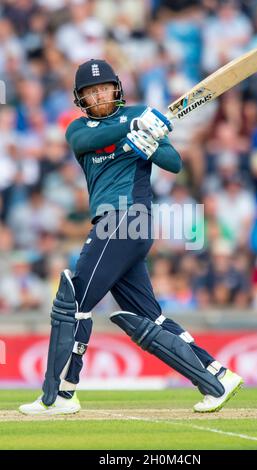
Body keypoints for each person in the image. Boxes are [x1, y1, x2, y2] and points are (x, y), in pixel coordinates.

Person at [19, 59, 243, 415]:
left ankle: (60, 395)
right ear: (81, 98)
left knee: (73, 303)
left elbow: (174, 163)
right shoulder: (79, 130)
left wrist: (151, 144)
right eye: (90, 92)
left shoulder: (142, 114)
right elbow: (93, 138)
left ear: (116, 89)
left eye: (103, 88)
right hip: (120, 227)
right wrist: (133, 127)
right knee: (148, 318)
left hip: (126, 219)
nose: (98, 95)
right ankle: (216, 376)